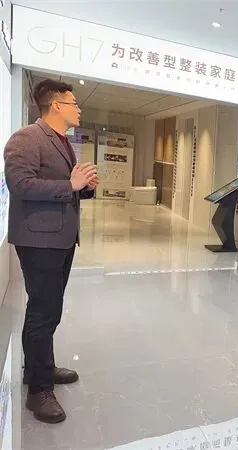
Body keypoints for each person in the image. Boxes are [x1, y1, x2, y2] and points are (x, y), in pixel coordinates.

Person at [4, 79, 99, 424]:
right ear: (57, 105)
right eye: (74, 103)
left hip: (60, 239)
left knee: (49, 309)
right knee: (43, 312)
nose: (79, 109)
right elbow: (20, 184)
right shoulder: (27, 138)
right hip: (39, 240)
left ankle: (38, 368)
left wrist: (84, 188)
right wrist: (70, 184)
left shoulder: (62, 141)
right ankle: (39, 392)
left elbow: (65, 187)